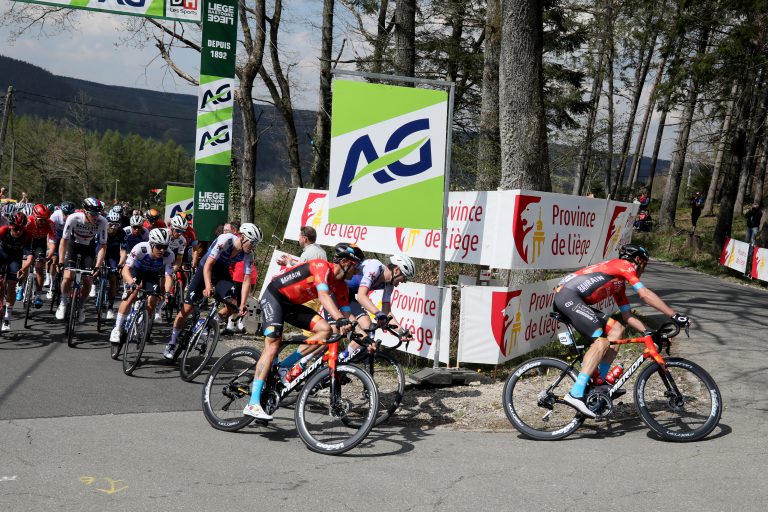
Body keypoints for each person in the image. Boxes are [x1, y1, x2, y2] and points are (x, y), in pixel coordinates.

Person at [553, 243, 690, 418]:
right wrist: (675, 315)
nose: (644, 269)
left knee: (617, 330)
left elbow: (627, 316)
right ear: (639, 260)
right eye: (645, 265)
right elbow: (645, 295)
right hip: (568, 297)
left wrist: (649, 332)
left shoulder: (618, 284)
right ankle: (576, 393)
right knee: (601, 342)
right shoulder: (623, 265)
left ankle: (599, 383)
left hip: (573, 299)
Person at [243, 243, 361, 420]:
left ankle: (285, 366)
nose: (357, 272)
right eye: (356, 267)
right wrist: (340, 319)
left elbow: (346, 315)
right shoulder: (321, 267)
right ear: (345, 262)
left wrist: (359, 332)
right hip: (275, 296)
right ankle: (252, 403)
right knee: (273, 346)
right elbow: (323, 296)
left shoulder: (342, 286)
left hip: (293, 305)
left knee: (326, 330)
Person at [162, 222, 262, 359]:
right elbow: (208, 264)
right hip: (205, 269)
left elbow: (246, 280)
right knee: (187, 308)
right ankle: (172, 342)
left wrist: (243, 303)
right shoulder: (225, 240)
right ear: (243, 237)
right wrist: (208, 286)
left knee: (232, 305)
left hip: (221, 274)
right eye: (253, 243)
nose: (253, 247)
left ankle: (207, 324)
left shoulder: (248, 255)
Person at [109, 229, 175, 344]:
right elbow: (126, 269)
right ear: (151, 243)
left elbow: (169, 276)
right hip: (136, 271)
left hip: (152, 275)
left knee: (153, 300)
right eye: (159, 246)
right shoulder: (140, 248)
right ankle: (117, 328)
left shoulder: (169, 255)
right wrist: (131, 283)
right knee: (131, 295)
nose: (162, 250)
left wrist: (168, 292)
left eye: (165, 246)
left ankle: (142, 321)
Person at [56, 197, 108, 323]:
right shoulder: (74, 218)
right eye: (93, 213)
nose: (96, 216)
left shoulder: (102, 222)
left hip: (88, 248)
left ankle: (81, 306)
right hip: (73, 245)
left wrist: (98, 265)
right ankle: (63, 302)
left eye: (98, 213)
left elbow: (102, 246)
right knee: (68, 276)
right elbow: (64, 241)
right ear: (85, 211)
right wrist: (61, 261)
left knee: (88, 280)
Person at [0, 212, 34, 331]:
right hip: (2, 254)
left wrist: (23, 269)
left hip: (15, 259)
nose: (18, 232)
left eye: (21, 229)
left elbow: (29, 257)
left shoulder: (27, 235)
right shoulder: (3, 230)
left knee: (12, 285)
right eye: (16, 229)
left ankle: (7, 319)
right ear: (10, 226)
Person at [24, 204, 56, 309]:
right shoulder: (28, 221)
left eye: (45, 220)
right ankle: (20, 286)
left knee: (39, 268)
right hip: (27, 242)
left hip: (40, 244)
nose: (43, 222)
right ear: (34, 217)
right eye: (41, 220)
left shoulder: (50, 224)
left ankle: (38, 295)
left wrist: (50, 253)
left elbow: (52, 241)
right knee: (24, 265)